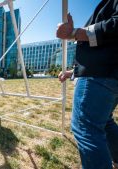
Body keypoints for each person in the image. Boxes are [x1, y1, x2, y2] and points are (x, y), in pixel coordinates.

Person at [57, 1, 118, 168]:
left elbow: (114, 26)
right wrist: (73, 72)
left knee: (86, 128)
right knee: (104, 122)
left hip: (100, 74)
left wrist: (75, 32)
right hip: (109, 74)